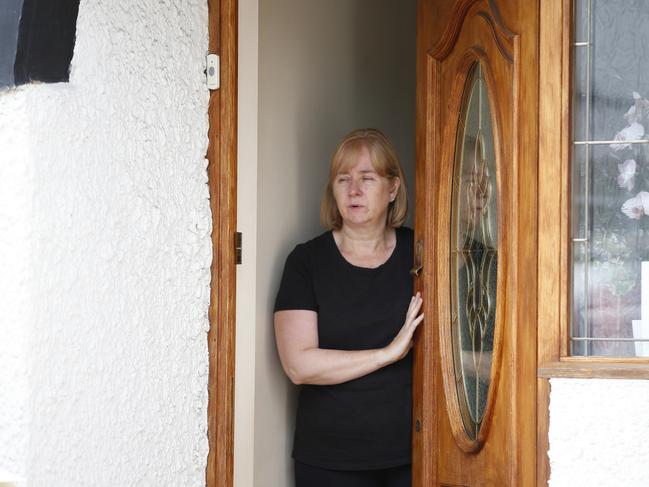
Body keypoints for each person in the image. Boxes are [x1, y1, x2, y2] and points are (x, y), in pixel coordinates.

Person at [274, 128, 423, 487]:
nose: (353, 190)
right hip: (329, 460)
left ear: (393, 189)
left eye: (367, 179)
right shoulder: (306, 261)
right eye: (343, 179)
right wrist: (388, 353)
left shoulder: (421, 253)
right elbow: (298, 365)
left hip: (414, 453)